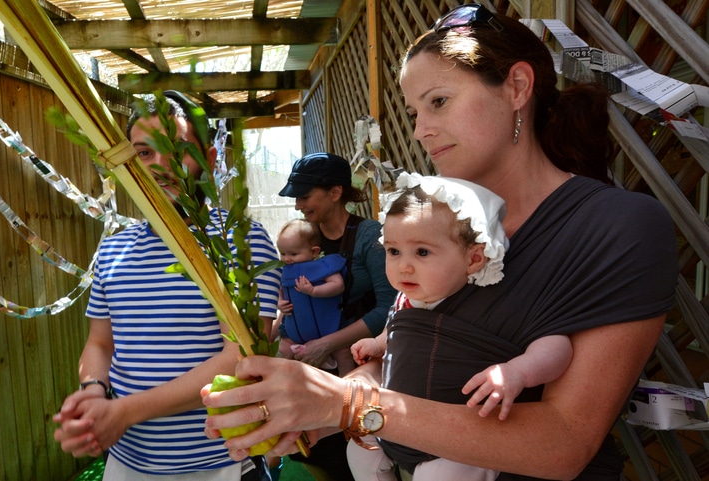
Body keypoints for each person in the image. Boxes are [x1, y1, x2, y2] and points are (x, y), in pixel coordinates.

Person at [201, 5, 678, 480]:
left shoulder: (619, 226)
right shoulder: (432, 219)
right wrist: (311, 408)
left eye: (438, 102)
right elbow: (403, 354)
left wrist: (349, 406)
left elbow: (565, 441)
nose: (419, 130)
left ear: (516, 87)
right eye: (413, 111)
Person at [52, 90, 280, 481]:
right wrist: (93, 388)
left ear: (210, 160)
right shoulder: (114, 247)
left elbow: (240, 358)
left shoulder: (242, 240)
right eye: (143, 153)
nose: (161, 165)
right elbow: (100, 343)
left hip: (222, 460)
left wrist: (124, 411)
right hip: (128, 461)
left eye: (176, 149)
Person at [347, 173, 572, 481]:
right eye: (393, 251)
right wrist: (379, 342)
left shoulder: (493, 300)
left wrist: (519, 371)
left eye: (422, 252)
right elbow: (397, 330)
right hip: (402, 424)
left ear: (474, 258)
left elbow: (556, 345)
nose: (404, 266)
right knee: (358, 447)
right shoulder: (406, 298)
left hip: (460, 443)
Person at [274, 152, 397, 481]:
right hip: (311, 364)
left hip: (360, 366)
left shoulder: (370, 237)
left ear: (335, 192)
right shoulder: (303, 238)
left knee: (354, 452)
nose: (299, 205)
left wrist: (327, 344)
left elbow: (388, 309)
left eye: (304, 195)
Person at [275, 218, 355, 376]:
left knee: (344, 352)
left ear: (314, 252)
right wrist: (280, 302)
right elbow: (280, 288)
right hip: (295, 330)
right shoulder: (284, 270)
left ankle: (348, 383)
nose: (287, 258)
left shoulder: (324, 266)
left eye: (293, 253)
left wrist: (313, 291)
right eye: (283, 253)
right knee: (283, 349)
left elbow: (338, 285)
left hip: (330, 326)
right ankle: (287, 383)